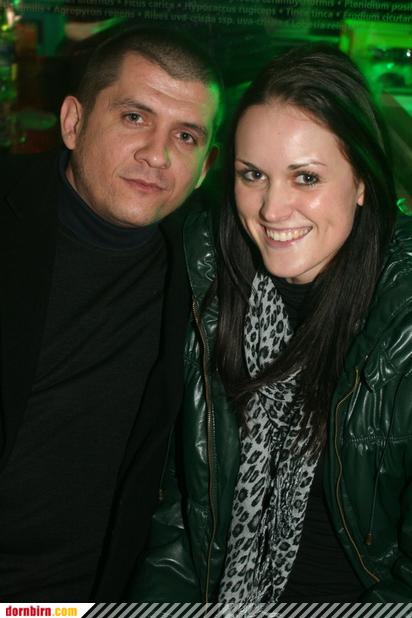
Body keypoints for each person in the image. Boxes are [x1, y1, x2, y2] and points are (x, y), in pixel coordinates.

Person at [129, 43, 412, 603]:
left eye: (305, 178)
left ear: (361, 182)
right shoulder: (211, 280)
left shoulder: (400, 319)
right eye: (253, 174)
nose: (271, 209)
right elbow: (182, 518)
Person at [0, 25, 221, 601]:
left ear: (205, 166)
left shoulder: (208, 270)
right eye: (134, 117)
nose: (157, 154)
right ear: (73, 122)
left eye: (186, 136)